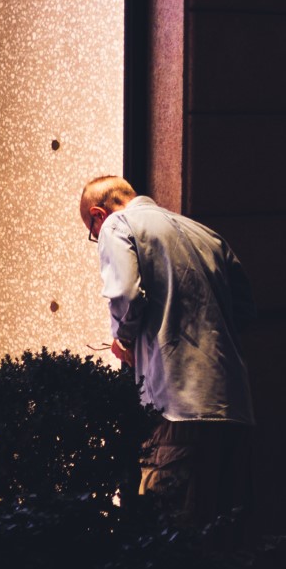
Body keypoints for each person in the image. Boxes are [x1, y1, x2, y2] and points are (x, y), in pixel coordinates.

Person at [81, 176, 256, 529]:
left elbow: (126, 295)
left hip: (177, 407)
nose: (97, 237)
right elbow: (245, 310)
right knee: (224, 534)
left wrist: (123, 341)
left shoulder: (118, 224)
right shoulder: (204, 234)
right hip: (233, 406)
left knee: (170, 531)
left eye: (92, 232)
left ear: (99, 214)